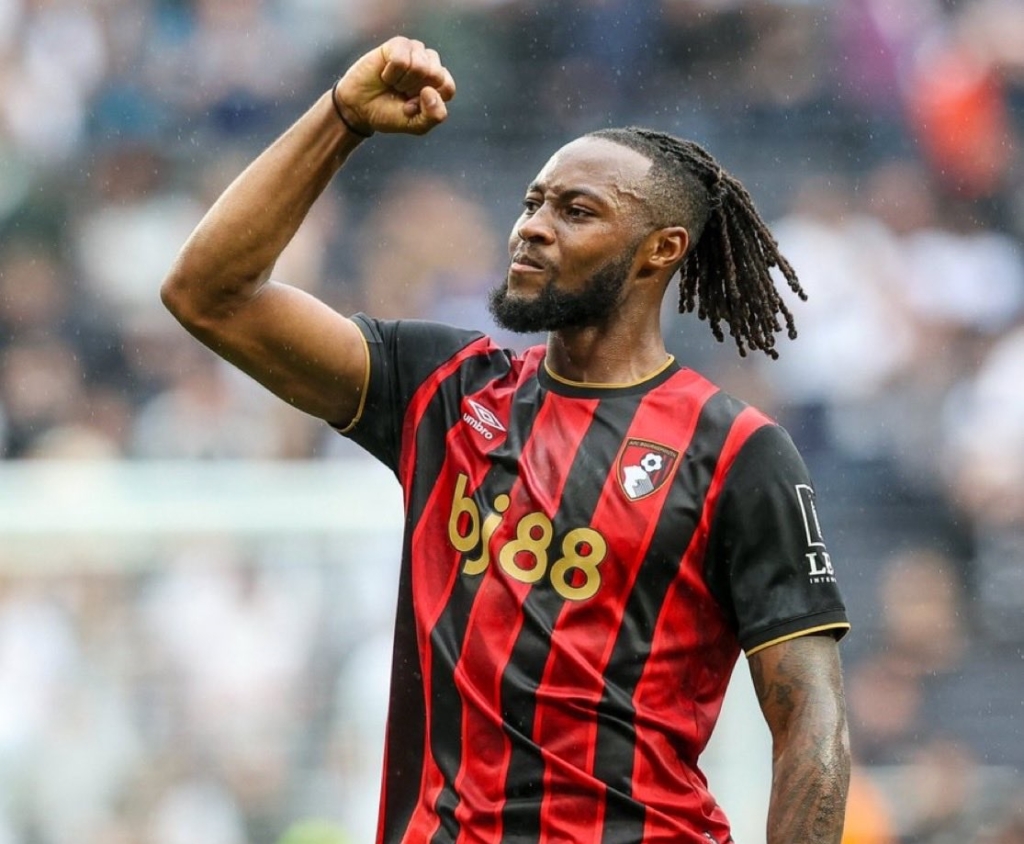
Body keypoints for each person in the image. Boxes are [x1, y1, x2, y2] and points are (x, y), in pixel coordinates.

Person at [162, 36, 851, 844]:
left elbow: (811, 725)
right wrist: (342, 117)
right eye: (532, 203)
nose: (532, 228)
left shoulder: (735, 451)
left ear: (661, 249)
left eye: (576, 211)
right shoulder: (445, 391)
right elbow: (209, 293)